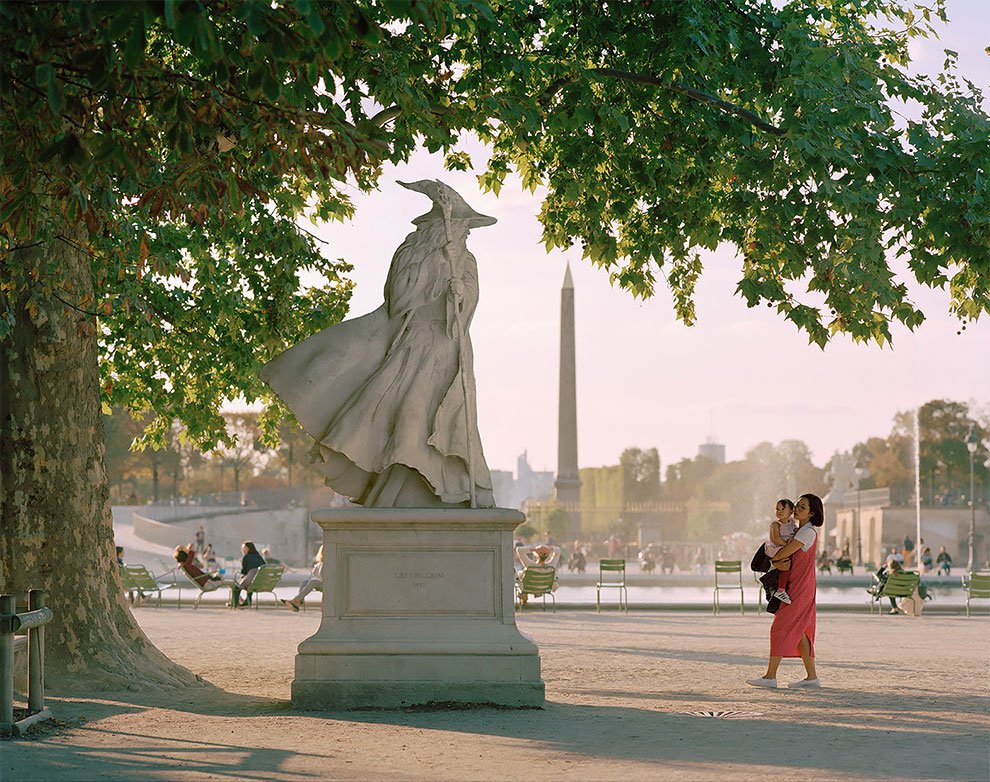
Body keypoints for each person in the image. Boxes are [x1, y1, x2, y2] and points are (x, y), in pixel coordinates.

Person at [748, 492, 823, 689]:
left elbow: (782, 553)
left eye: (802, 507)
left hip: (799, 587)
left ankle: (770, 677)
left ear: (812, 513)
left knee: (779, 627)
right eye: (797, 505)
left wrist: (774, 561)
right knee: (800, 631)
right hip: (801, 585)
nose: (797, 509)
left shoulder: (806, 533)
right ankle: (812, 677)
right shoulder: (799, 531)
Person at [760, 499, 797, 605]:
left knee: (787, 568)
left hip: (786, 548)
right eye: (777, 509)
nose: (779, 511)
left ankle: (778, 587)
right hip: (777, 548)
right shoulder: (776, 524)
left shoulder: (792, 524)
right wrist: (788, 546)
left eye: (783, 509)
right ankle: (780, 590)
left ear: (791, 511)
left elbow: (795, 535)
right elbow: (776, 538)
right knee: (785, 566)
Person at [281, 545, 323, 612]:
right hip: (323, 583)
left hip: (330, 584)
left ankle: (295, 600)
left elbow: (324, 577)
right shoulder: (321, 563)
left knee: (313, 582)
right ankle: (298, 603)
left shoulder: (330, 563)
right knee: (305, 582)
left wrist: (318, 569)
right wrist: (317, 569)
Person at [230, 540, 266, 608]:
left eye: (244, 548)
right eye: (242, 548)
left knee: (236, 586)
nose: (242, 549)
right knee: (251, 581)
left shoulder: (246, 557)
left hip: (251, 580)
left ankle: (234, 603)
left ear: (249, 548)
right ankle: (248, 601)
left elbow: (244, 572)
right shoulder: (259, 557)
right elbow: (264, 566)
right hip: (261, 582)